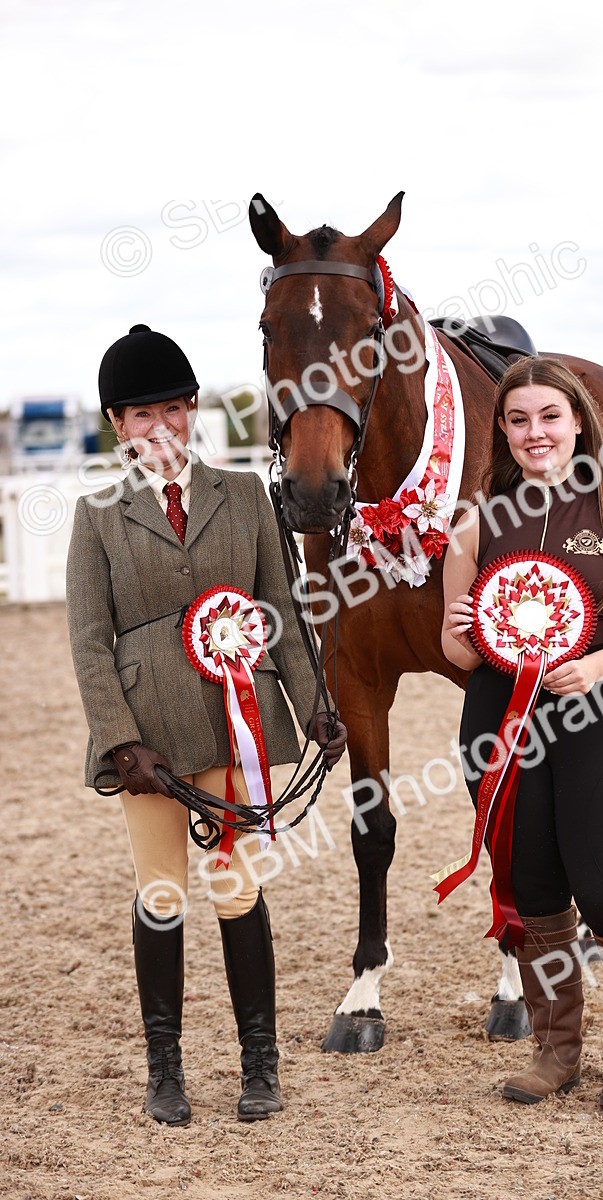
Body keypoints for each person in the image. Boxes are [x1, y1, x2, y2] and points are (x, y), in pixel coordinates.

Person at [66, 323, 346, 1126]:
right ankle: (166, 1072)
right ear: (117, 424)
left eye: (173, 409)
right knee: (161, 892)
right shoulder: (98, 516)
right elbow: (88, 641)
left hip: (236, 724)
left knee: (236, 887)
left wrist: (315, 705)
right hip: (148, 739)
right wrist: (122, 742)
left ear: (193, 410)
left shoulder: (245, 495)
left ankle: (260, 1064)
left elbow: (283, 610)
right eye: (140, 414)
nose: (160, 427)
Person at [441, 356, 603, 1111]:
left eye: (550, 416)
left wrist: (598, 665)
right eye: (518, 420)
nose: (534, 432)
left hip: (601, 716)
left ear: (578, 421)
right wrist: (460, 635)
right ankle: (555, 1051)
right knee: (534, 890)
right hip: (503, 725)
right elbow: (457, 648)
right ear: (502, 430)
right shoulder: (475, 525)